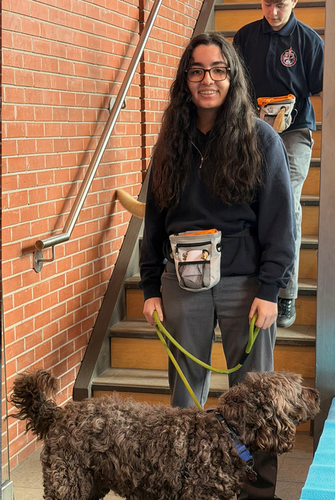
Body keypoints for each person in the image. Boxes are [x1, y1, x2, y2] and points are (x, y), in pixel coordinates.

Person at [139, 33, 295, 500]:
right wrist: (150, 287)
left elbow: (281, 226)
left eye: (217, 70)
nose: (207, 80)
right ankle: (191, 486)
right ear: (185, 79)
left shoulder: (261, 138)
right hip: (180, 284)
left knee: (256, 400)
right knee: (187, 400)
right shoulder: (171, 139)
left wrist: (270, 291)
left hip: (244, 286)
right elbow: (154, 218)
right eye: (197, 70)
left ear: (231, 77)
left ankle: (256, 491)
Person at [232, 0, 324, 328]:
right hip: (252, 131)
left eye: (281, 4)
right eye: (268, 3)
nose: (274, 12)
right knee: (248, 203)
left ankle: (285, 293)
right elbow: (235, 88)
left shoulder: (310, 42)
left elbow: (319, 85)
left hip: (294, 133)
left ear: (295, 1)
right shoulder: (243, 37)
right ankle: (246, 281)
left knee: (288, 206)